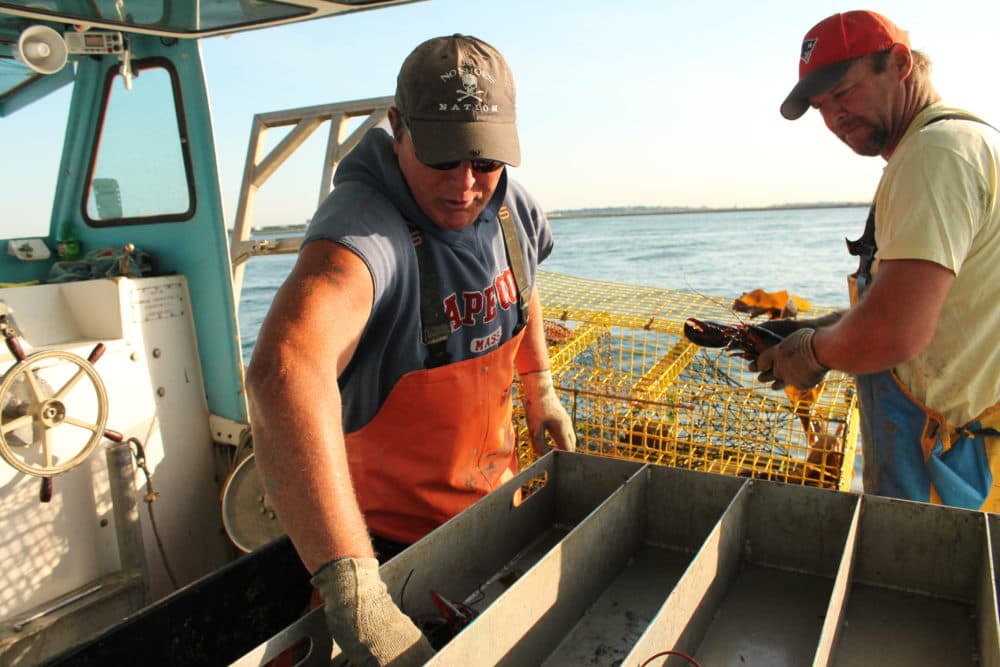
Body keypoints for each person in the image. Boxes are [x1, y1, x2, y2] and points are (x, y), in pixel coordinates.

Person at [245, 34, 576, 666]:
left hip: (492, 513)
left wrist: (542, 389)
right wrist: (355, 592)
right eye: (444, 159)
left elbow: (524, 289)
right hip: (383, 551)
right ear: (397, 128)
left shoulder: (512, 211)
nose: (465, 185)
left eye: (485, 161)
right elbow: (284, 371)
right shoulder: (364, 230)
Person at [752, 10, 1000, 514]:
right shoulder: (970, 142)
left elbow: (894, 332)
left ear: (900, 62)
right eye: (821, 106)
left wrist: (813, 352)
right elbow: (946, 310)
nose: (833, 117)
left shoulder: (935, 156)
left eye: (843, 93)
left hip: (950, 476)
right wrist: (836, 325)